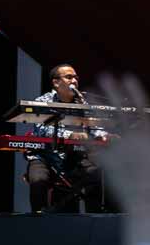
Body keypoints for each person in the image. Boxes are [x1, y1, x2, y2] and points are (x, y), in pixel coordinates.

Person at [26, 64, 105, 213]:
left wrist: (105, 136)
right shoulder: (43, 101)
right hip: (45, 156)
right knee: (37, 180)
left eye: (76, 77)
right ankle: (37, 221)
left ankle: (96, 218)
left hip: (73, 155)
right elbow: (43, 130)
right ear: (56, 82)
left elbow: (94, 127)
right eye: (69, 77)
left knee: (95, 172)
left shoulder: (82, 103)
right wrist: (71, 135)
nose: (74, 80)